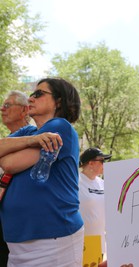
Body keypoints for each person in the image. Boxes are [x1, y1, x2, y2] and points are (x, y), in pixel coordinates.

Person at [0, 78, 83, 266]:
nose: (30, 99)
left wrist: (9, 152)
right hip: (18, 248)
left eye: (38, 94)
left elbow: (10, 163)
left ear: (59, 101)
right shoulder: (28, 132)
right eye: (31, 94)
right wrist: (32, 140)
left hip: (52, 245)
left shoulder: (60, 126)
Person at [0, 90, 35, 266]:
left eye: (7, 105)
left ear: (24, 110)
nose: (1, 109)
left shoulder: (34, 135)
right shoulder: (7, 141)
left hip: (23, 230)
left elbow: (8, 165)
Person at [79, 147, 111, 260]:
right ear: (91, 163)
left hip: (100, 241)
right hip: (83, 242)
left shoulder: (102, 183)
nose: (104, 164)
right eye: (102, 161)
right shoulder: (76, 182)